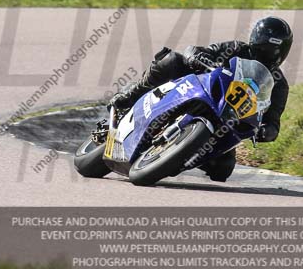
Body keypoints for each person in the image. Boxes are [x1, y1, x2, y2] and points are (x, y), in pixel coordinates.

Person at [108, 16, 292, 182]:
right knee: (172, 60)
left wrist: (267, 131)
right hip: (201, 89)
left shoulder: (279, 85)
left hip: (228, 120)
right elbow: (196, 50)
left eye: (273, 51)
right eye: (263, 48)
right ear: (253, 42)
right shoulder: (236, 48)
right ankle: (132, 94)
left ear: (281, 52)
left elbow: (273, 120)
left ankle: (179, 154)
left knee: (223, 170)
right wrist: (196, 56)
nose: (267, 54)